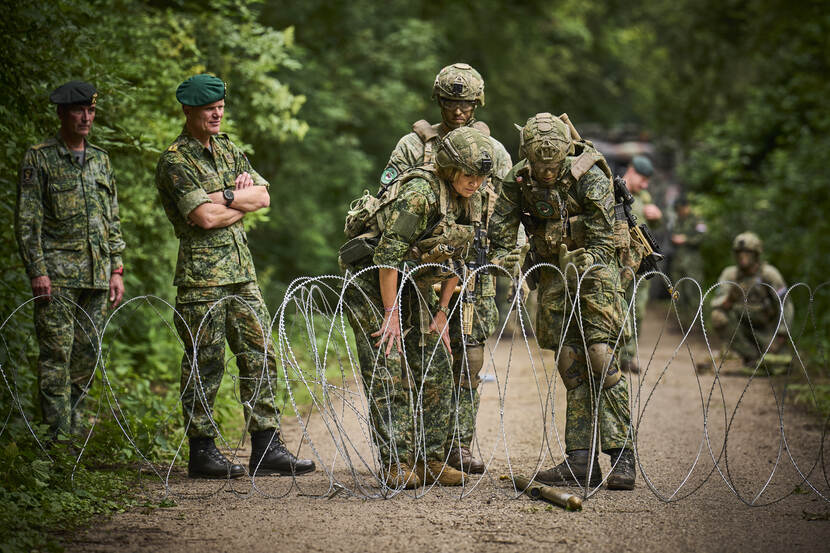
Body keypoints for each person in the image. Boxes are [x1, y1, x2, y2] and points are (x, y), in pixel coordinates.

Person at [155, 74, 314, 479]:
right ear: (189, 110)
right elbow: (203, 218)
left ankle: (266, 446)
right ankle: (202, 451)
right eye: (209, 108)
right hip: (202, 279)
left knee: (261, 354)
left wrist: (225, 197)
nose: (217, 114)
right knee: (204, 363)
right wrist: (236, 201)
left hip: (242, 274)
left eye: (221, 107)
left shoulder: (229, 149)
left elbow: (262, 196)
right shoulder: (176, 161)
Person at [340, 126, 495, 488]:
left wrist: (442, 313)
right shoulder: (419, 195)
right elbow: (388, 256)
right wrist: (391, 314)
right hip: (374, 281)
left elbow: (459, 257)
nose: (475, 183)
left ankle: (431, 460)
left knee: (436, 365)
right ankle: (396, 462)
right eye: (468, 175)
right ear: (450, 167)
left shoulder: (472, 197)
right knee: (390, 368)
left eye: (480, 177)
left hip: (417, 282)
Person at [489, 113, 635, 490]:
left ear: (565, 155)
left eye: (553, 165)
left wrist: (584, 260)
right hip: (553, 274)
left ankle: (622, 455)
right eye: (540, 166)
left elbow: (603, 239)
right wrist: (509, 261)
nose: (547, 173)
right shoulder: (518, 180)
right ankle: (581, 460)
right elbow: (500, 235)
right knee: (571, 363)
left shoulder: (590, 176)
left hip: (595, 272)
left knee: (601, 357)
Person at [379, 62, 513, 475]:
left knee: (468, 357)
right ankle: (421, 447)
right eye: (451, 102)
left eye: (466, 103)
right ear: (438, 101)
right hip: (420, 269)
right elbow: (391, 205)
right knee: (422, 357)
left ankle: (458, 444)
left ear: (478, 104)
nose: (458, 110)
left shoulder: (493, 152)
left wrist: (510, 256)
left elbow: (509, 211)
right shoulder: (413, 146)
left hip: (471, 264)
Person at [15, 81, 126, 441]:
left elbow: (112, 219)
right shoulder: (40, 158)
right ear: (62, 113)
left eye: (91, 110)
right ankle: (56, 440)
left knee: (86, 357)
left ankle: (74, 435)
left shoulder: (101, 160)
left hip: (97, 276)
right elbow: (28, 221)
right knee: (55, 358)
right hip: (58, 277)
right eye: (79, 110)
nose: (86, 117)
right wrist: (38, 270)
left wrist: (116, 268)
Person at [709, 232, 793, 366]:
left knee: (779, 363)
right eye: (739, 252)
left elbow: (785, 304)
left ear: (756, 254)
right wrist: (731, 298)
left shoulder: (769, 274)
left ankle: (766, 355)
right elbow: (719, 305)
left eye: (747, 252)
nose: (742, 256)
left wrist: (781, 334)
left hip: (766, 329)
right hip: (742, 328)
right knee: (718, 316)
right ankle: (750, 355)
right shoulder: (730, 275)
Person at [618, 155, 662, 373]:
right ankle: (610, 355)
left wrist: (656, 217)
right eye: (642, 179)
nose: (644, 185)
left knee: (637, 310)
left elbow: (651, 225)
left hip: (641, 262)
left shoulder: (644, 196)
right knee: (617, 307)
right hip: (619, 261)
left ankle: (628, 356)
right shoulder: (615, 190)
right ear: (631, 171)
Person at [669, 196, 706, 330]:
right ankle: (681, 323)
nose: (679, 212)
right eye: (677, 210)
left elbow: (702, 237)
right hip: (678, 261)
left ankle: (696, 324)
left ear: (687, 207)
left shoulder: (697, 220)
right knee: (678, 293)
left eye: (681, 209)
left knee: (693, 292)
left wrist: (686, 239)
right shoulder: (677, 220)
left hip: (692, 263)